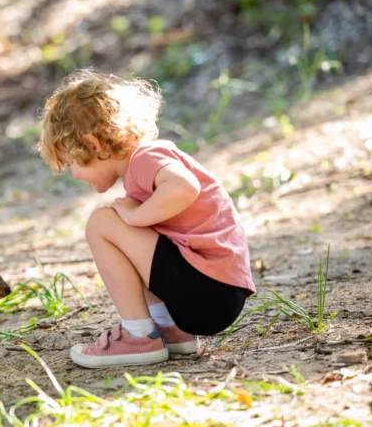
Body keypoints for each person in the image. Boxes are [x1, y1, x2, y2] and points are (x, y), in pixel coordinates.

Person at [38, 69, 256, 368]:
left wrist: (136, 215)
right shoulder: (144, 165)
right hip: (215, 294)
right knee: (121, 223)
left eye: (70, 162)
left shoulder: (145, 158)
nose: (73, 174)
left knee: (102, 223)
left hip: (209, 291)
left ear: (92, 145)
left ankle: (138, 336)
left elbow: (185, 187)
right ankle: (169, 329)